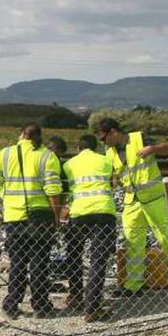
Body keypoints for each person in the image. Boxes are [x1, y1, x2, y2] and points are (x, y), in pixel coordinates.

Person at [95, 117, 168, 298]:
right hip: (132, 201)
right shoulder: (109, 151)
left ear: (113, 132)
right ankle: (133, 286)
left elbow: (167, 147)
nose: (103, 142)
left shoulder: (139, 138)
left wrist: (153, 149)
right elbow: (116, 175)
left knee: (167, 238)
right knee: (133, 242)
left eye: (103, 138)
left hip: (154, 198)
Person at [0, 122, 63, 319]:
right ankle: (41, 305)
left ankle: (12, 304)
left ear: (21, 134)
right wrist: (56, 217)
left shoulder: (5, 154)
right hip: (40, 218)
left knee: (18, 261)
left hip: (14, 218)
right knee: (40, 262)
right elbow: (53, 191)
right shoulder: (47, 156)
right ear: (39, 137)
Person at [61, 134, 117, 322]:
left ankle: (76, 295)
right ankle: (92, 308)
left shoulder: (69, 164)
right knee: (98, 260)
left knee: (74, 254)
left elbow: (65, 190)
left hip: (78, 214)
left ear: (78, 148)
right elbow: (114, 183)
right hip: (103, 212)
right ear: (95, 148)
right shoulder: (106, 160)